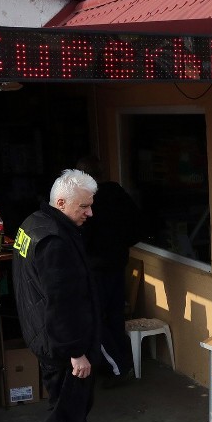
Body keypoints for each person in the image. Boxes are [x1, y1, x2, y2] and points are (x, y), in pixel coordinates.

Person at [11, 169, 107, 422]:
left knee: (76, 405)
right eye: (84, 207)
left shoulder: (34, 224)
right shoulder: (54, 240)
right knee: (65, 409)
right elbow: (60, 303)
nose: (90, 213)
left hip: (46, 335)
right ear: (62, 202)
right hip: (63, 345)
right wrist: (75, 351)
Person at [76, 155, 142, 387]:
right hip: (117, 263)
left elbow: (83, 234)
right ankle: (122, 364)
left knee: (94, 318)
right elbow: (137, 227)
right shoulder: (118, 194)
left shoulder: (88, 201)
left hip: (95, 267)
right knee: (114, 317)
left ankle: (118, 367)